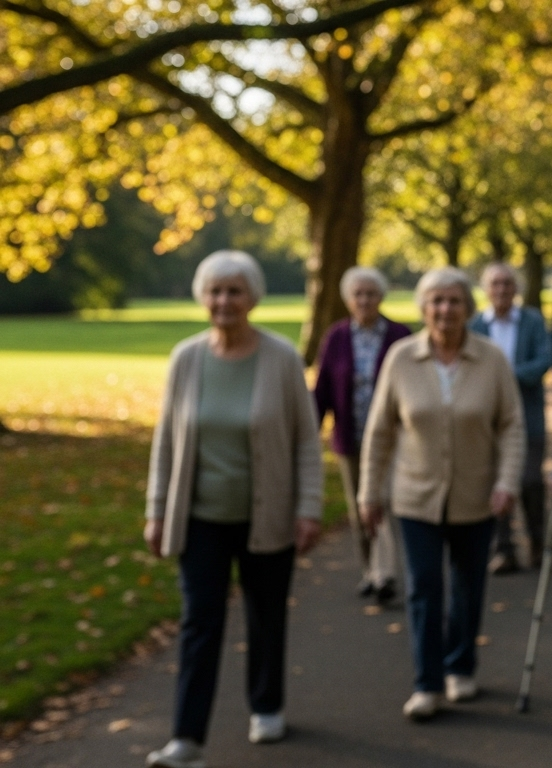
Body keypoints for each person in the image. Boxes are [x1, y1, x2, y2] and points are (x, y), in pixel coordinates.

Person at [144, 251, 323, 768]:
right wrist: (157, 510)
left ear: (252, 297)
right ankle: (187, 738)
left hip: (267, 515)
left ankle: (266, 706)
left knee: (266, 616)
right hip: (199, 518)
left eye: (234, 291)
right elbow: (166, 443)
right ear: (204, 297)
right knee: (199, 623)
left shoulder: (282, 358)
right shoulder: (186, 358)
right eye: (216, 292)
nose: (224, 301)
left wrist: (308, 507)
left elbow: (306, 443)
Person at [359, 267, 525, 722]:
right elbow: (379, 432)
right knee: (425, 588)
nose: (445, 310)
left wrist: (506, 482)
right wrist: (368, 494)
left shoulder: (490, 359)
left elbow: (511, 425)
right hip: (415, 497)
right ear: (423, 307)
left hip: (476, 496)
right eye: (436, 301)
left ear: (469, 308)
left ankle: (461, 665)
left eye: (454, 301)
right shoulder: (400, 358)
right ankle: (427, 682)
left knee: (469, 588)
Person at [312, 266, 412, 602]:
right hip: (351, 436)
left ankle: (387, 573)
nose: (365, 300)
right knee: (360, 510)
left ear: (381, 297)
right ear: (348, 299)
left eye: (371, 294)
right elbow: (323, 387)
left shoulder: (400, 335)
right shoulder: (336, 337)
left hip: (393, 437)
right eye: (359, 294)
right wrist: (311, 426)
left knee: (382, 501)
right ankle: (371, 569)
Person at [469, 263, 552, 575]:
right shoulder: (475, 325)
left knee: (530, 481)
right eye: (496, 285)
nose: (502, 290)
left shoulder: (532, 321)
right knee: (497, 481)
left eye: (507, 284)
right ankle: (503, 549)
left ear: (516, 288)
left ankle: (536, 539)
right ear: (486, 290)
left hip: (528, 416)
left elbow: (545, 358)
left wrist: (506, 376)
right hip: (488, 420)